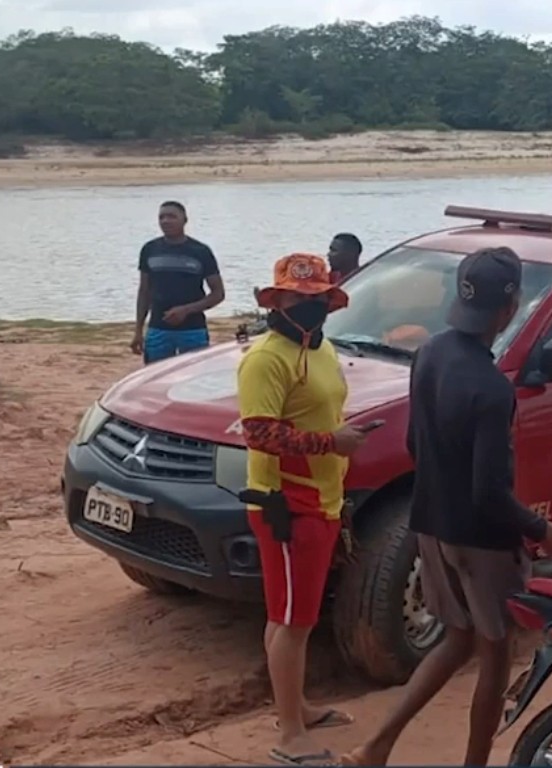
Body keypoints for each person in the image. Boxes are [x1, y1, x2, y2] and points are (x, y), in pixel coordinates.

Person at [342, 247, 552, 767]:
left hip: (431, 523)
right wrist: (540, 528)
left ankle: (377, 747)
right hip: (482, 539)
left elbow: (418, 445)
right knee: (495, 653)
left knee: (457, 639)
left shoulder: (432, 353)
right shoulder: (491, 389)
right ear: (509, 308)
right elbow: (488, 493)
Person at [238, 252, 370, 766]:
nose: (307, 304)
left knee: (290, 616)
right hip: (288, 502)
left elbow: (322, 409)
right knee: (293, 621)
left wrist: (336, 438)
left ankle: (296, 708)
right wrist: (331, 442)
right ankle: (290, 732)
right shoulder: (267, 358)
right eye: (298, 297)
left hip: (320, 498)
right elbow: (260, 433)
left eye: (316, 297)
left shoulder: (321, 348)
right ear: (276, 300)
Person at [131, 200, 225, 363]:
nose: (166, 221)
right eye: (161, 217)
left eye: (171, 216)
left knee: (194, 379)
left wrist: (186, 310)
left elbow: (218, 294)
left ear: (184, 220)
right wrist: (138, 330)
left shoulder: (201, 251)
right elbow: (144, 292)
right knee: (155, 379)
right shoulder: (150, 249)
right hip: (158, 329)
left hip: (193, 330)